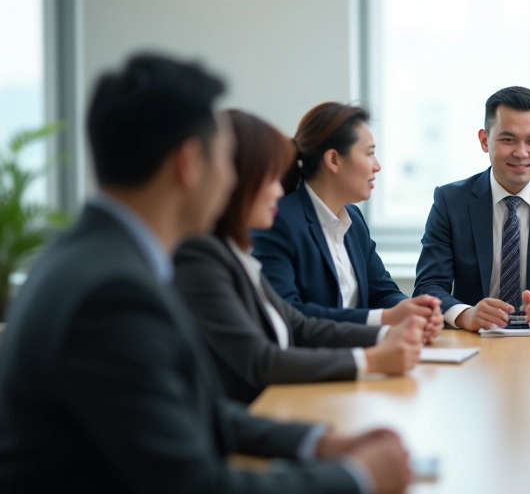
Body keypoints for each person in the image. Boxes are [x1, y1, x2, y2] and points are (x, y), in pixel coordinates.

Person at [0, 54, 412, 494]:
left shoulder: (98, 257)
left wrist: (320, 442)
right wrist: (356, 478)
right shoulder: (113, 292)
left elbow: (196, 409)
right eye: (224, 161)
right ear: (189, 164)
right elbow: (193, 484)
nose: (231, 179)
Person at [174, 109, 425, 404]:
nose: (278, 191)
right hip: (280, 401)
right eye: (269, 179)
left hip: (295, 395)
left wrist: (393, 327)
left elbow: (296, 323)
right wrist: (372, 357)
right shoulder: (205, 258)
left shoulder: (235, 255)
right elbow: (264, 357)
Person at [414, 86, 530, 331]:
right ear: (484, 141)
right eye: (508, 139)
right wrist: (465, 315)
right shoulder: (451, 201)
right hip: (474, 344)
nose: (522, 152)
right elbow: (428, 287)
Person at [252, 102, 443, 337]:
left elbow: (381, 291)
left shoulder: (353, 218)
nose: (377, 166)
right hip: (313, 367)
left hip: (364, 357)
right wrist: (385, 319)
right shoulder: (278, 221)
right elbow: (289, 314)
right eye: (370, 153)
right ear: (333, 160)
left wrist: (414, 312)